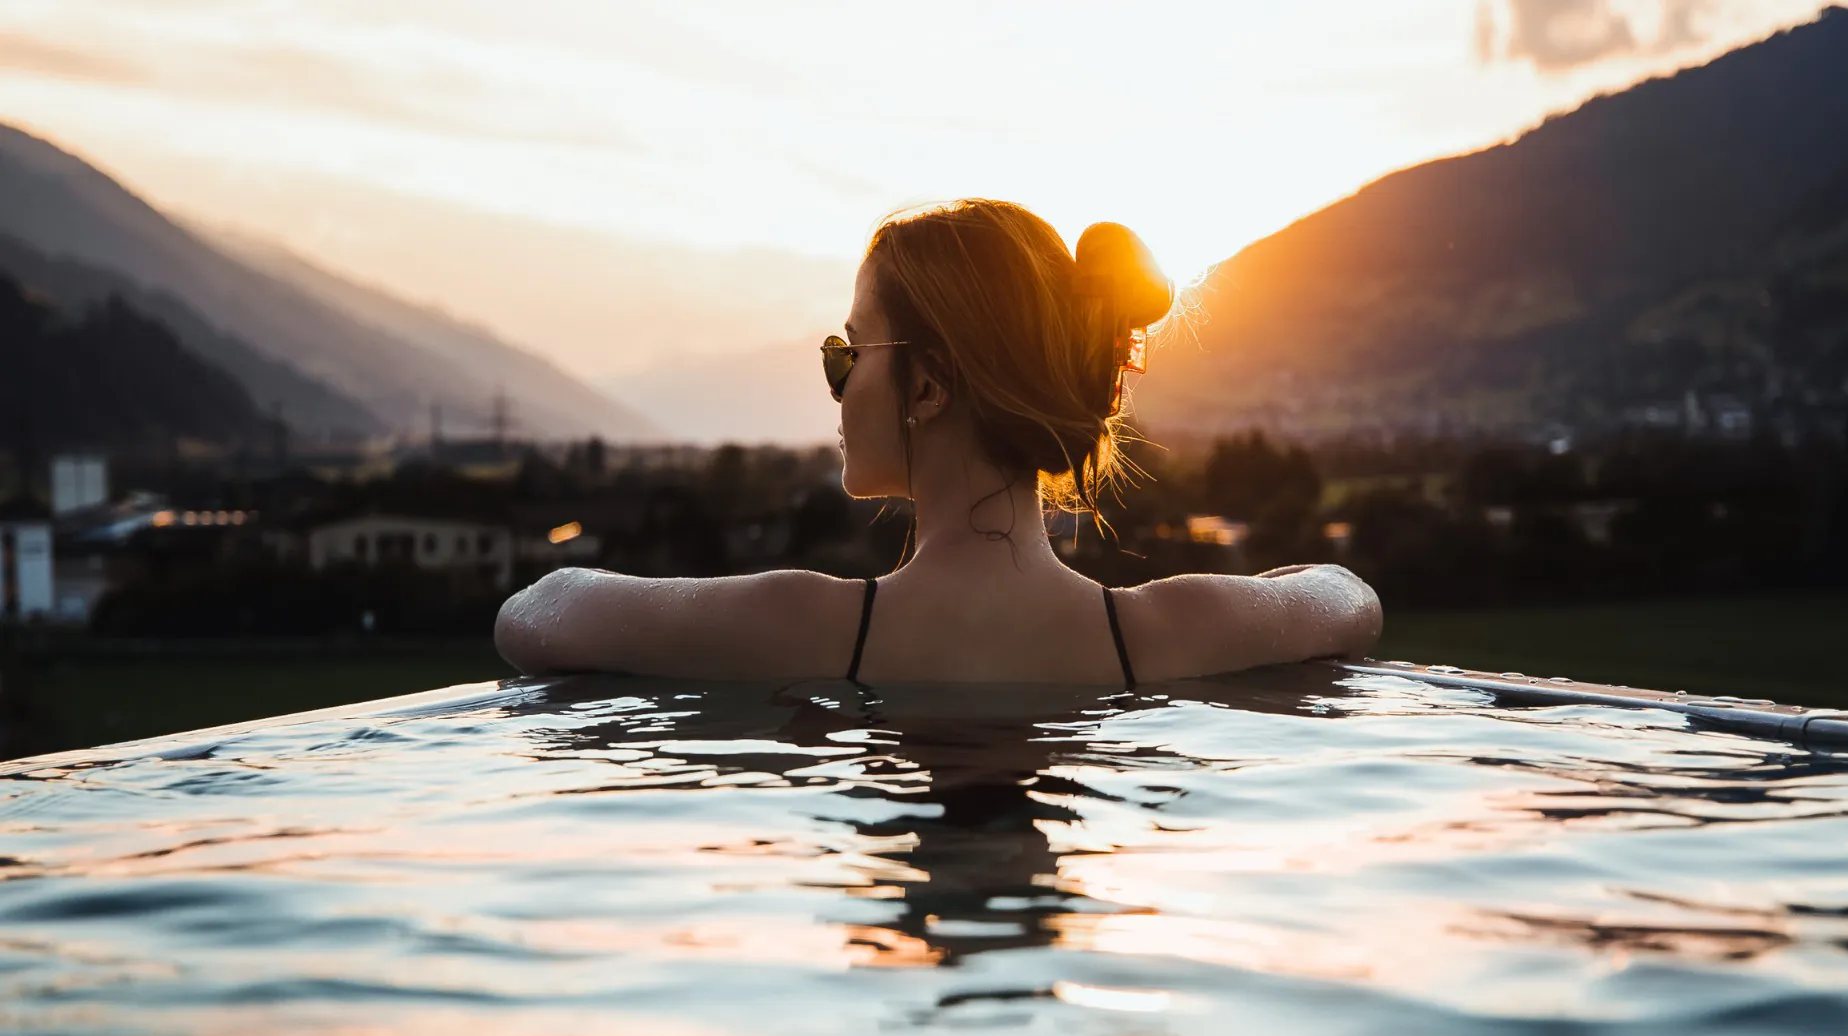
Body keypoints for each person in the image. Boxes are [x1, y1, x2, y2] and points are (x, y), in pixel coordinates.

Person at [494, 199, 1381, 685]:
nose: (836, 385)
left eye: (848, 354)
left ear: (925, 383)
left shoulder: (805, 625)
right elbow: (1347, 599)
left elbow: (542, 614)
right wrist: (1256, 593)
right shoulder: (1164, 630)